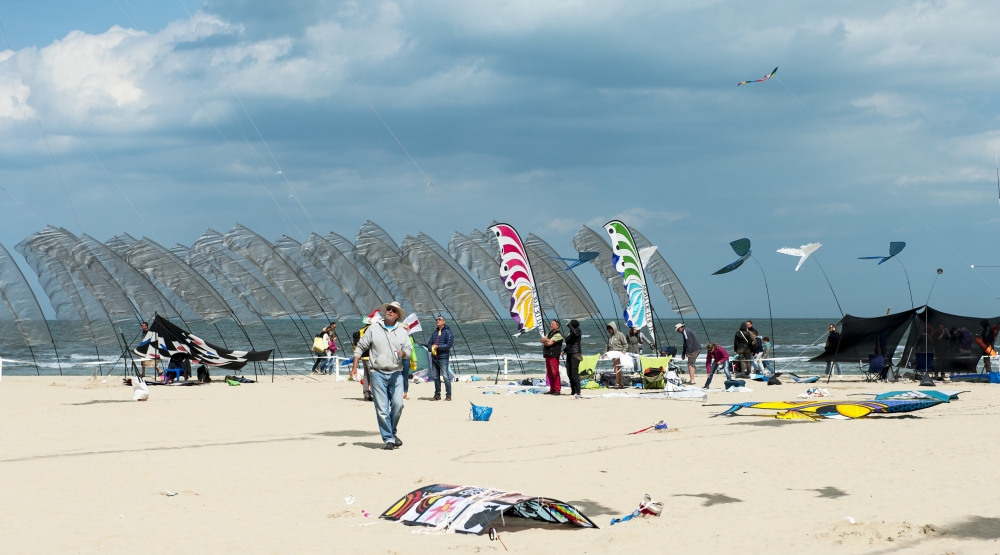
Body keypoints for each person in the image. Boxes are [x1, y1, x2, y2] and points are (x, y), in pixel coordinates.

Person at [351, 301, 411, 451]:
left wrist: (403, 353)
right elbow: (361, 346)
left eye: (393, 310)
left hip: (396, 373)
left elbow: (408, 351)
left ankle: (391, 432)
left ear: (398, 315)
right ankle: (389, 439)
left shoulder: (402, 332)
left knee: (398, 404)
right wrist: (354, 367)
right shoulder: (374, 328)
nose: (390, 311)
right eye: (388, 309)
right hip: (377, 373)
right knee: (382, 409)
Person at [427, 316, 454, 401]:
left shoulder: (448, 332)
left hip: (443, 358)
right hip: (435, 357)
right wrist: (431, 347)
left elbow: (448, 345)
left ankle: (448, 395)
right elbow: (429, 343)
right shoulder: (434, 333)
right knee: (436, 377)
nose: (437, 321)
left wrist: (438, 347)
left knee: (446, 377)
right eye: (436, 319)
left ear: (444, 322)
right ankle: (437, 395)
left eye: (439, 319)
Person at [540, 319, 564, 395]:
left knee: (555, 373)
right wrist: (546, 340)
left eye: (553, 324)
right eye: (551, 324)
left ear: (557, 326)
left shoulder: (558, 334)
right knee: (549, 373)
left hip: (553, 355)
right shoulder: (550, 333)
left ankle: (557, 389)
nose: (551, 325)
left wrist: (546, 341)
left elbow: (549, 343)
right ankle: (552, 389)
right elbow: (541, 340)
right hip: (547, 355)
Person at [352, 317, 373, 401]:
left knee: (366, 375)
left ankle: (366, 394)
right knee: (373, 375)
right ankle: (373, 392)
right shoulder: (372, 330)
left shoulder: (360, 331)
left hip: (363, 356)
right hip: (371, 356)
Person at [563, 319, 583, 398]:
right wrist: (564, 350)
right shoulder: (571, 332)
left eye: (571, 324)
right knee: (569, 372)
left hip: (575, 353)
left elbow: (575, 333)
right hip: (569, 353)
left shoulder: (577, 331)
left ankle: (577, 391)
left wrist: (569, 325)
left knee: (574, 373)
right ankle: (573, 390)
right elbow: (569, 343)